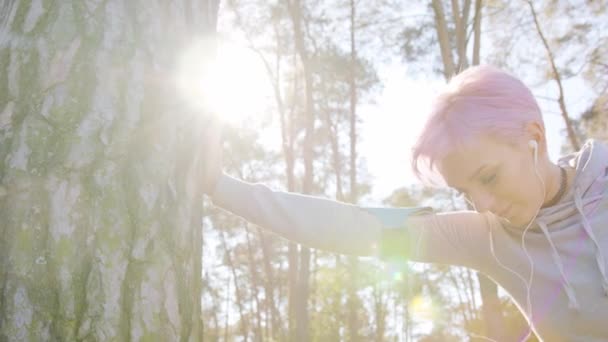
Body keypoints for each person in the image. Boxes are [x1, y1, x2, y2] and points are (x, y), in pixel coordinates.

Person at [201, 65, 608, 341]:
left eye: (488, 177)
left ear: (534, 137)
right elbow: (358, 230)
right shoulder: (486, 239)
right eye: (465, 191)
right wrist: (219, 186)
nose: (482, 204)